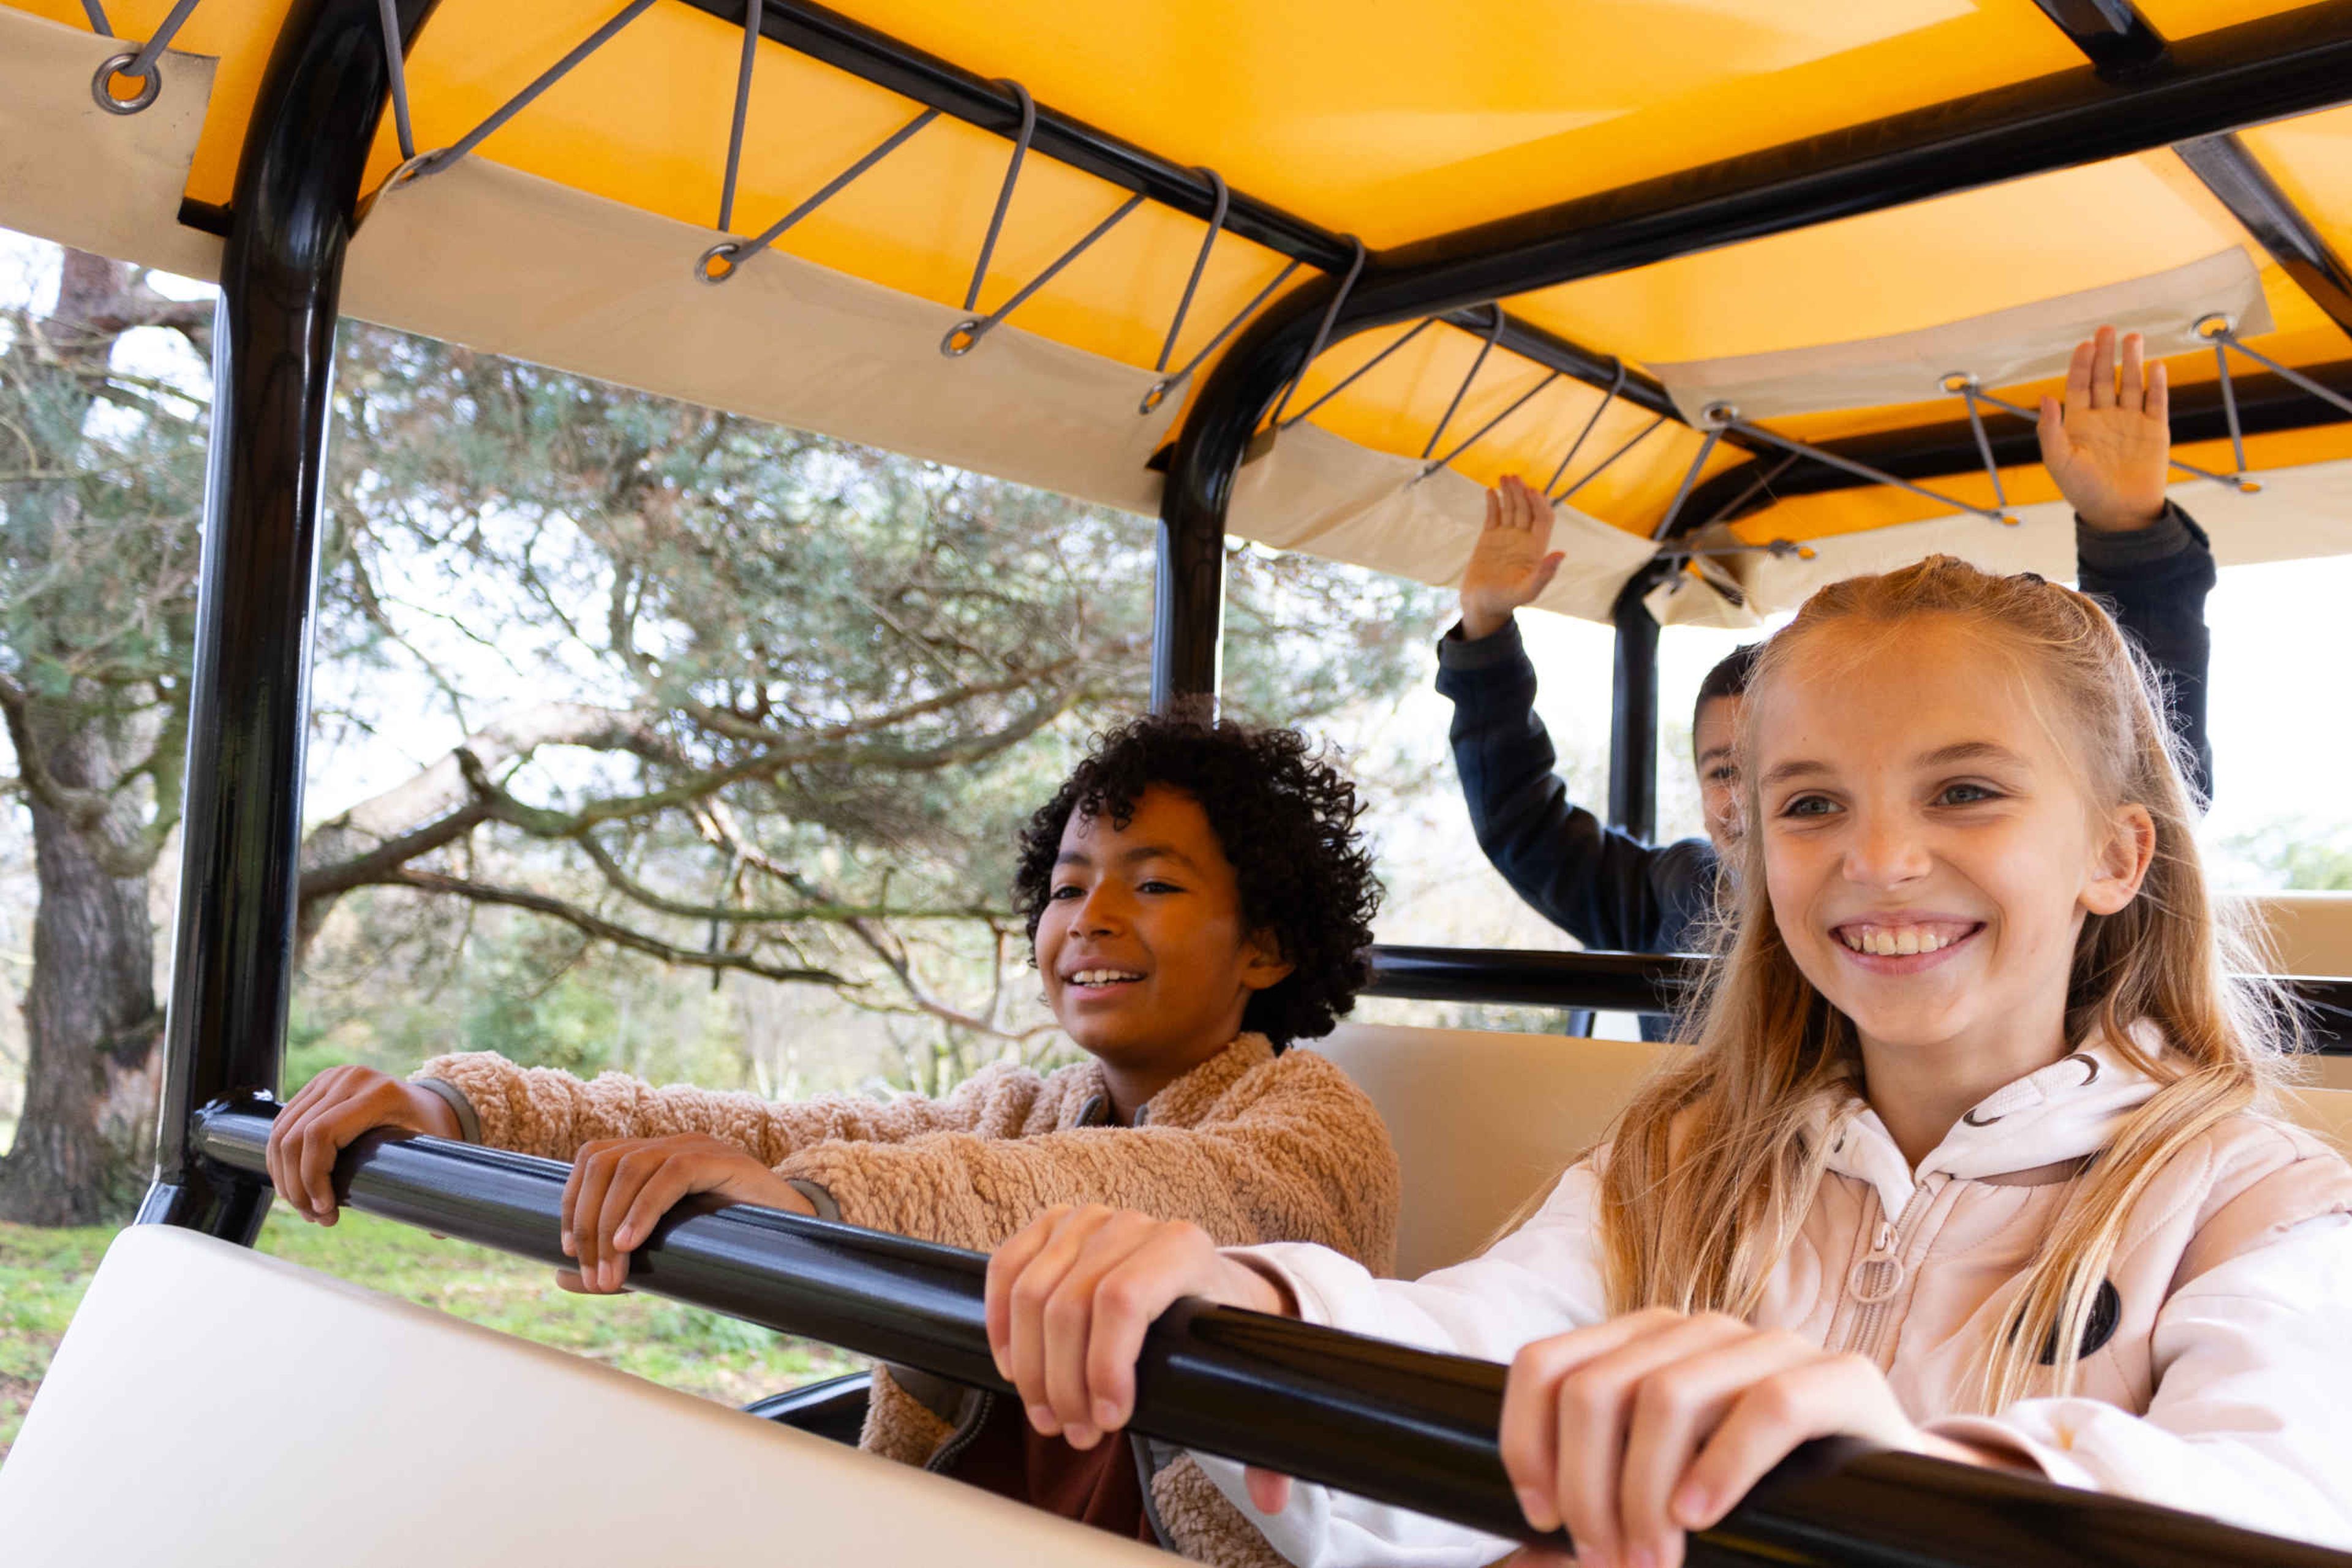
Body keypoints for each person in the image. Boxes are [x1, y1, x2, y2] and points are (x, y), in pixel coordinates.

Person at [982, 555, 2352, 1563]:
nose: (1878, 858)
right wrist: (1245, 1305)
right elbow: (1479, 1342)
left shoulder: (2251, 1203)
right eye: (1812, 803)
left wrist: (1896, 1481)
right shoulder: (1682, 1156)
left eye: (1966, 790)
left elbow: (2279, 1490)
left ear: (2117, 853)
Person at [264, 715, 1400, 1566]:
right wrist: (461, 1111)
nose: (1089, 919)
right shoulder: (1021, 1110)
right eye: (1065, 888)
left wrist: (814, 1205)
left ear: (1267, 944)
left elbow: (1132, 1196)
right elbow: (780, 1129)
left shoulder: (1313, 1132)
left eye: (1151, 884)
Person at [1442, 327, 2217, 970]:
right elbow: (1524, 826)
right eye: (1730, 773)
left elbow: (2134, 762)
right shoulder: (1677, 896)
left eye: (1960, 793)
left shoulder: (2001, 906)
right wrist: (1484, 634)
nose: (1750, 801)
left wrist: (2129, 535)